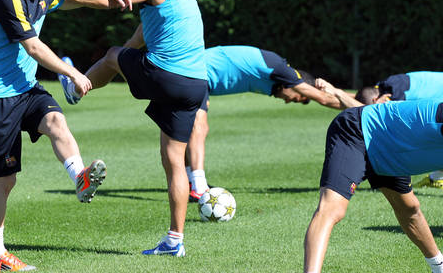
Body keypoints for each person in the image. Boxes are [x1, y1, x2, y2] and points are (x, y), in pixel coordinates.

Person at [50, 0, 208, 257]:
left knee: (109, 55)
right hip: (196, 84)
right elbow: (143, 32)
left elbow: (117, 0)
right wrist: (124, 54)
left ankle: (76, 88)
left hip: (168, 75)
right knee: (174, 161)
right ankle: (174, 243)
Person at [0, 0, 130, 271]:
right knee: (3, 181)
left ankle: (80, 178)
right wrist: (72, 72)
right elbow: (33, 47)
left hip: (26, 90)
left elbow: (75, 0)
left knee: (57, 121)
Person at [184, 45, 344, 201]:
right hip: (196, 72)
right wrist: (362, 107)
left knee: (183, 129)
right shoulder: (281, 70)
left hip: (191, 71)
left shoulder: (275, 78)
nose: (288, 102)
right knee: (199, 125)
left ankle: (189, 181)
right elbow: (324, 99)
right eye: (295, 98)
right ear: (297, 85)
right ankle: (199, 188)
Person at [304, 99, 443, 273]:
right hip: (358, 131)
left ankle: (439, 267)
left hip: (393, 154)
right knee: (332, 209)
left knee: (409, 209)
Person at [316, 71, 443, 189]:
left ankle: (436, 177)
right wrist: (335, 92)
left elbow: (371, 116)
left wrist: (338, 92)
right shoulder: (385, 87)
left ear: (375, 100)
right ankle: (436, 178)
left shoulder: (396, 94)